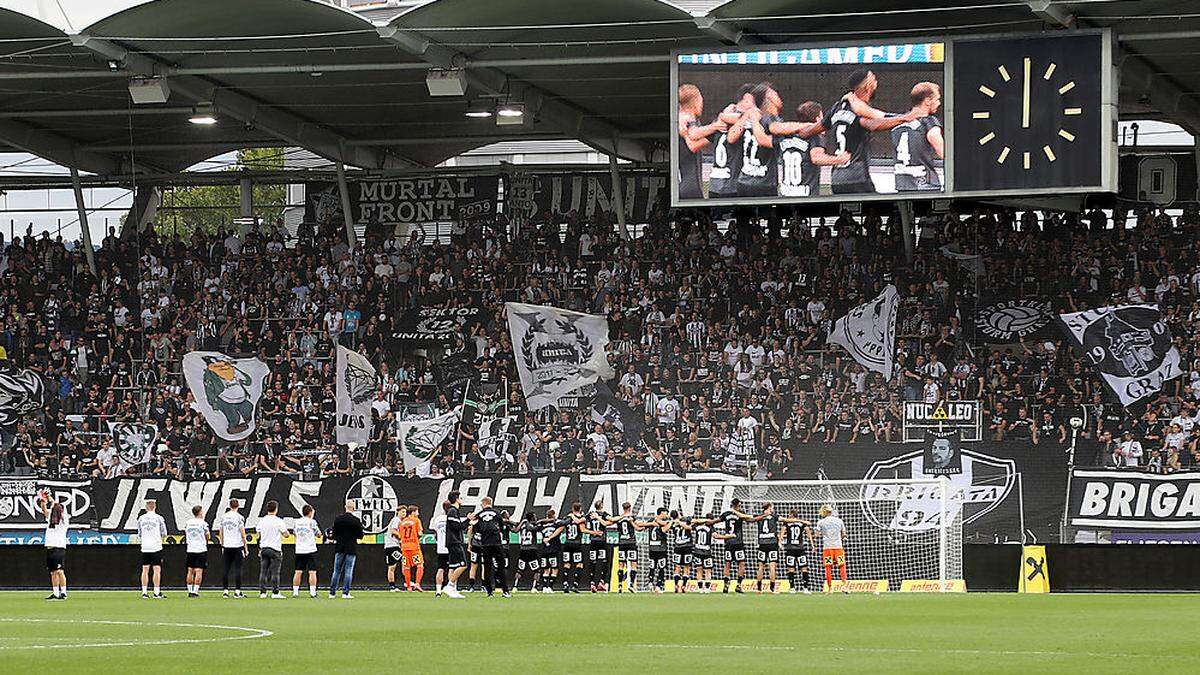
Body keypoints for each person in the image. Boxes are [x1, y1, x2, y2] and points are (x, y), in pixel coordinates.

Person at [677, 83, 728, 200]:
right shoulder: (688, 118)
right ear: (696, 102)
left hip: (687, 181)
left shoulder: (681, 117)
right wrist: (715, 130)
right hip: (690, 184)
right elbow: (692, 144)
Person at [891, 82, 944, 192]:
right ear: (928, 101)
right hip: (926, 184)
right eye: (937, 99)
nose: (939, 103)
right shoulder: (929, 122)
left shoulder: (898, 123)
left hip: (902, 185)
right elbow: (943, 152)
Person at [468, 497, 510, 598]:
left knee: (487, 567)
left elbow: (475, 528)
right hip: (496, 543)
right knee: (501, 567)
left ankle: (489, 592)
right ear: (490, 503)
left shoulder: (479, 514)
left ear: (483, 504)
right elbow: (501, 526)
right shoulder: (496, 513)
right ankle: (505, 591)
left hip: (485, 544)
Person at [330, 500, 365, 599]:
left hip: (339, 547)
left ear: (345, 507)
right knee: (348, 571)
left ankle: (332, 593)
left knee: (336, 571)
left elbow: (334, 535)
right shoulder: (356, 520)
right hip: (351, 548)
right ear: (353, 508)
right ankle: (345, 593)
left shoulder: (338, 519)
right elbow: (360, 535)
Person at [718, 498, 754, 593]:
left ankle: (726, 585)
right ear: (738, 505)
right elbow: (749, 519)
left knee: (727, 564)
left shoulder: (726, 514)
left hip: (728, 542)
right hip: (738, 542)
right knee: (741, 563)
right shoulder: (740, 513)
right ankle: (738, 585)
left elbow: (716, 521)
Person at [39, 490, 68, 600]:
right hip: (50, 547)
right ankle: (55, 593)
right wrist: (43, 501)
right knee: (52, 572)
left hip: (59, 547)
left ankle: (64, 592)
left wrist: (49, 496)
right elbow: (45, 510)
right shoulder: (50, 520)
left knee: (60, 571)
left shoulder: (64, 520)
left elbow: (57, 506)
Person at [216, 498, 248, 598]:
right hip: (237, 546)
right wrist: (245, 547)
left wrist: (222, 544)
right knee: (238, 569)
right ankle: (237, 591)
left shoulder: (224, 517)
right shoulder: (239, 517)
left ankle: (225, 591)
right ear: (238, 506)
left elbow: (220, 532)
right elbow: (243, 534)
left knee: (226, 569)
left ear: (229, 506)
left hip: (227, 546)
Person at [137, 499, 168, 599]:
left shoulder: (141, 518)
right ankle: (156, 592)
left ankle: (144, 592)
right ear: (155, 506)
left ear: (146, 507)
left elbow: (140, 533)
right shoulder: (159, 518)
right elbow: (164, 533)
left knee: (145, 570)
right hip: (156, 547)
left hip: (145, 547)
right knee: (156, 570)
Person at [607, 502, 640, 593]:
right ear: (630, 508)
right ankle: (631, 585)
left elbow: (609, 522)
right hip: (631, 542)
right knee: (633, 564)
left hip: (621, 543)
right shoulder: (632, 517)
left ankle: (620, 585)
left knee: (621, 565)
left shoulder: (618, 518)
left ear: (623, 508)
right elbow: (638, 527)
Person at [257, 500, 287, 599]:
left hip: (264, 548)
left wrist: (260, 547)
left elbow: (258, 535)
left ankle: (263, 592)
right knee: (275, 572)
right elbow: (286, 534)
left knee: (263, 571)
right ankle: (275, 592)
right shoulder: (279, 521)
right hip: (275, 549)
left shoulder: (262, 521)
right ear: (276, 509)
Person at [441, 491, 468, 599]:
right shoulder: (452, 511)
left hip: (452, 541)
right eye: (460, 497)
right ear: (456, 499)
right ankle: (450, 585)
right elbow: (457, 526)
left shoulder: (453, 511)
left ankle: (453, 590)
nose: (461, 499)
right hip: (454, 541)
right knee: (463, 565)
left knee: (453, 567)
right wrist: (468, 520)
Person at [781, 508, 815, 594]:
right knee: (804, 568)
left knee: (791, 569)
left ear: (792, 515)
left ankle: (792, 588)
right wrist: (812, 545)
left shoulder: (787, 523)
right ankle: (806, 588)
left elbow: (781, 533)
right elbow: (809, 534)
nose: (788, 516)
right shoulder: (802, 523)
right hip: (800, 548)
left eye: (789, 514)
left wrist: (780, 543)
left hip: (790, 548)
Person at [817, 504, 849, 593]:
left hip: (827, 548)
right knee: (842, 566)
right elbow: (844, 534)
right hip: (838, 547)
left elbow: (817, 534)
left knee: (828, 567)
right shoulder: (839, 521)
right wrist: (842, 537)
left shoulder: (821, 522)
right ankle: (844, 586)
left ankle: (830, 589)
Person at [292, 504, 320, 598]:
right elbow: (318, 534)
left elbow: (295, 533)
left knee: (298, 571)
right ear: (310, 512)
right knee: (312, 572)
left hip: (299, 549)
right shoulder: (312, 522)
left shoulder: (297, 522)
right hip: (310, 549)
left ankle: (295, 592)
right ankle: (312, 592)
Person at [753, 502, 781, 594]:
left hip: (762, 543)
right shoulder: (774, 516)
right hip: (772, 543)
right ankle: (772, 589)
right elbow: (785, 520)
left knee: (761, 567)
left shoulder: (759, 516)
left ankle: (759, 588)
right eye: (772, 507)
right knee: (772, 566)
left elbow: (749, 519)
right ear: (769, 507)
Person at [642, 507, 672, 594]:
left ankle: (651, 583)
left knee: (652, 567)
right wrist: (671, 522)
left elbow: (641, 527)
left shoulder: (651, 521)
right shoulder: (663, 523)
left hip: (652, 548)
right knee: (661, 567)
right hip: (661, 548)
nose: (666, 515)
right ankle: (659, 585)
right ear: (661, 513)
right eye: (665, 513)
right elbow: (665, 529)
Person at [184, 504, 211, 597]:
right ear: (200, 512)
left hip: (190, 548)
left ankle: (189, 591)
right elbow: (208, 536)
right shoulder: (203, 523)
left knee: (190, 571)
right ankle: (195, 591)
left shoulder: (188, 522)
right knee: (199, 571)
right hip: (200, 549)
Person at [537, 508, 565, 593]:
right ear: (554, 515)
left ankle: (545, 587)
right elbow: (563, 525)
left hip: (544, 548)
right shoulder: (556, 523)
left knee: (546, 568)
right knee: (554, 568)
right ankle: (550, 586)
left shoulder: (541, 524)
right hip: (554, 548)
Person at [585, 501, 610, 593]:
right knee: (604, 561)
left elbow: (582, 521)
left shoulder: (590, 514)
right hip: (601, 541)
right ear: (602, 506)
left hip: (592, 541)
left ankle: (592, 583)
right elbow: (608, 522)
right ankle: (601, 581)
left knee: (593, 562)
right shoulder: (604, 514)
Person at [399, 505, 425, 591]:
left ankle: (409, 586)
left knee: (406, 567)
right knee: (419, 565)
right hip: (414, 547)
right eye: (417, 511)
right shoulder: (416, 520)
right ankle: (417, 583)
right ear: (413, 512)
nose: (418, 513)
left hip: (404, 547)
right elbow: (420, 533)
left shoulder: (402, 522)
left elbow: (400, 535)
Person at [516, 511, 542, 591]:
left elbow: (515, 530)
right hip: (531, 549)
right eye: (534, 516)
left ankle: (515, 586)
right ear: (531, 518)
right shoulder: (530, 525)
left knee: (520, 569)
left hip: (523, 549)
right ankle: (534, 587)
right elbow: (533, 528)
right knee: (537, 570)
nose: (536, 518)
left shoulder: (522, 525)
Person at [384, 505, 407, 592]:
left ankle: (394, 586)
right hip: (392, 546)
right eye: (402, 512)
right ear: (398, 512)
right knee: (400, 562)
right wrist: (402, 538)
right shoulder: (396, 520)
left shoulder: (400, 521)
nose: (404, 514)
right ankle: (395, 585)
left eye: (405, 512)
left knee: (393, 566)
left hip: (393, 546)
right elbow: (393, 531)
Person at [670, 512, 694, 593]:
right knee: (686, 567)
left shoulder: (673, 524)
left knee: (677, 567)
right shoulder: (686, 521)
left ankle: (676, 585)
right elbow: (689, 528)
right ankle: (683, 586)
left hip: (677, 547)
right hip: (687, 546)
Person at [432, 501, 451, 596]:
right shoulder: (452, 517)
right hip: (451, 547)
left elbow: (436, 534)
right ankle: (451, 589)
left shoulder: (438, 519)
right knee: (452, 568)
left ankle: (438, 590)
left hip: (441, 548)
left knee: (440, 569)